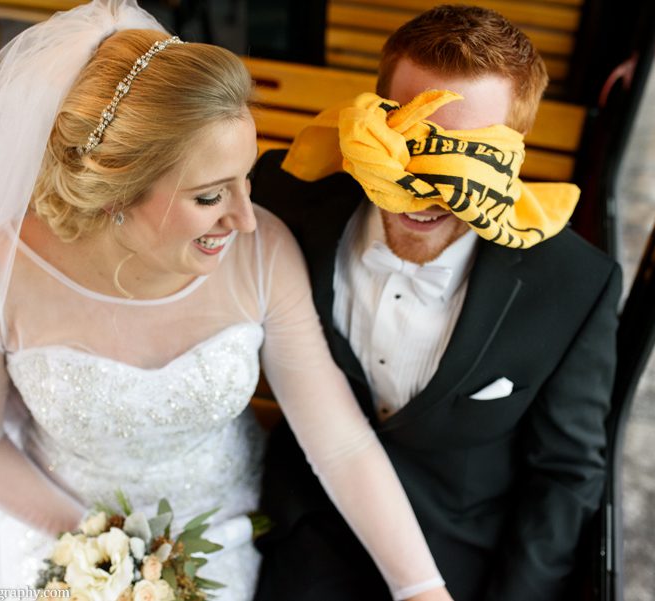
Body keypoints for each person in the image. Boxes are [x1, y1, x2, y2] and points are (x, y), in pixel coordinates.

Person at [0, 2, 453, 600]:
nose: (246, 219)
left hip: (224, 532)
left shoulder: (263, 252)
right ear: (115, 191)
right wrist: (107, 554)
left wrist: (420, 587)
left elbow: (340, 442)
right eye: (209, 196)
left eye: (246, 179)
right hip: (58, 530)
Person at [251, 5, 621, 601]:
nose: (425, 189)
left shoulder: (573, 284)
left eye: (461, 158)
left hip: (457, 557)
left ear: (514, 152)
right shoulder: (286, 197)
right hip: (306, 527)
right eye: (410, 143)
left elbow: (566, 474)